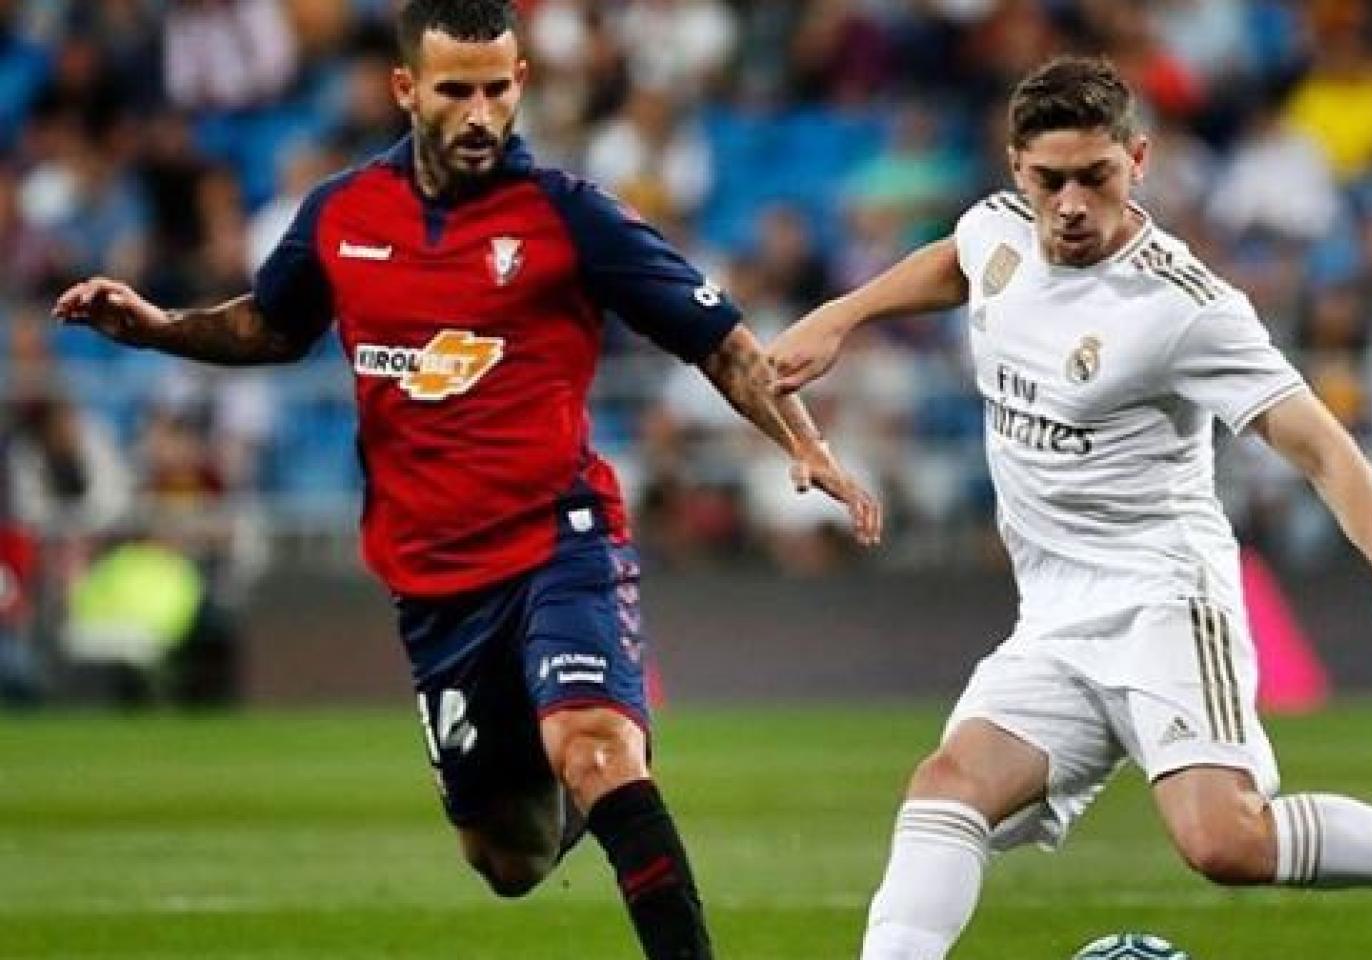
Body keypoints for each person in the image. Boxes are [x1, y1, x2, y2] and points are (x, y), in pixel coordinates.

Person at [768, 56, 1372, 960]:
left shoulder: (1187, 309)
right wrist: (842, 316)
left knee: (1225, 843)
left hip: (1166, 599)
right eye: (1050, 182)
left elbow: (1326, 450)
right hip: (1052, 613)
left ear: (1141, 159)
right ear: (1017, 172)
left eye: (1097, 176)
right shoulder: (998, 232)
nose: (1074, 205)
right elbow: (961, 263)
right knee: (948, 786)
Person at [53, 3, 880, 958]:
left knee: (596, 749)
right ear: (409, 90)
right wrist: (158, 327)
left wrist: (802, 442)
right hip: (434, 578)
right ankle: (593, 763)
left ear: (521, 80)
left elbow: (721, 341)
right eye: (456, 90)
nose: (481, 111)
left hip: (559, 537)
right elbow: (271, 328)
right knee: (510, 859)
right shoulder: (342, 216)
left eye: (498, 87)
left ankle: (615, 755)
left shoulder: (571, 215)